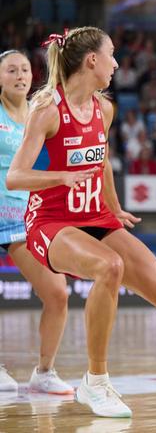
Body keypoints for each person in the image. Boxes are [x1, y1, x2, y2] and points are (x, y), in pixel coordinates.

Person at [7, 27, 156, 417]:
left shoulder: (105, 109)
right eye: (111, 55)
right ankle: (95, 382)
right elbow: (15, 177)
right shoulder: (47, 109)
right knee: (109, 267)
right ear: (91, 61)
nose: (117, 63)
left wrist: (113, 207)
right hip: (49, 222)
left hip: (95, 216)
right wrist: (60, 177)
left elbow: (102, 160)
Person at [0, 50, 73, 394]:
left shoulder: (40, 114)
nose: (20, 75)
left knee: (57, 293)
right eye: (11, 70)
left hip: (23, 218)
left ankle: (44, 372)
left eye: (25, 69)